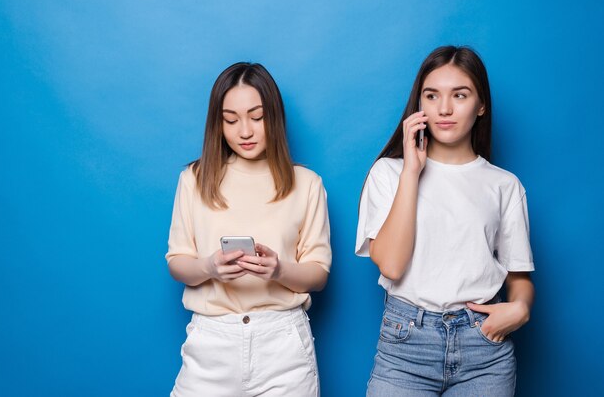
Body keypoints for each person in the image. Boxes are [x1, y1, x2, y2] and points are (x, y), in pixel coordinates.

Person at [356, 46, 535, 396]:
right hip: (405, 347)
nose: (445, 109)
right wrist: (412, 171)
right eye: (432, 95)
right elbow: (391, 265)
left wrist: (521, 309)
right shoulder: (389, 173)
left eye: (460, 95)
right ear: (419, 104)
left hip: (484, 348)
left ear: (481, 105)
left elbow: (519, 278)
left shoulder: (504, 185)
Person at [166, 62, 331, 397]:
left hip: (283, 345)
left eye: (257, 117)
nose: (245, 131)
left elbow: (319, 274)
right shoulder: (194, 180)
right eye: (231, 120)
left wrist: (280, 269)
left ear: (274, 116)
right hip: (212, 340)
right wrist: (209, 267)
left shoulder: (307, 184)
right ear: (218, 123)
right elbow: (176, 261)